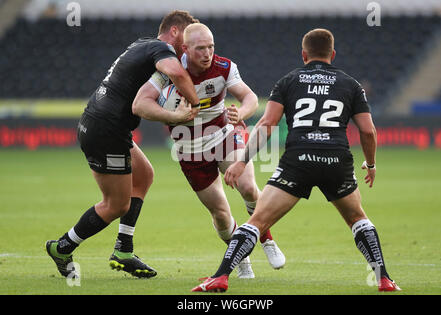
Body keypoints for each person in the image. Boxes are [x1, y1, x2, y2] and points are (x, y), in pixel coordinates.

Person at [192, 28, 401, 292]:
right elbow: (368, 131)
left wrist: (242, 161)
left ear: (304, 55)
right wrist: (370, 164)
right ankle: (383, 279)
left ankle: (221, 276)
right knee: (358, 219)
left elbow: (267, 124)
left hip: (298, 160)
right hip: (336, 160)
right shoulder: (350, 84)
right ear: (332, 54)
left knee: (257, 221)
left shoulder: (289, 81)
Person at [46, 10, 200, 279]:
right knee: (116, 205)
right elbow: (175, 72)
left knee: (144, 176)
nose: (186, 46)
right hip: (106, 130)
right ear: (174, 31)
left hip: (105, 126)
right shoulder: (161, 48)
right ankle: (62, 247)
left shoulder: (142, 44)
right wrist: (194, 105)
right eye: (185, 38)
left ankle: (124, 250)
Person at [133, 23, 286, 278]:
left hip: (224, 135)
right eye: (201, 48)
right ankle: (240, 258)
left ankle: (267, 239)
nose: (208, 54)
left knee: (248, 187)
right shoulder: (167, 70)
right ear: (185, 49)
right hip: (189, 149)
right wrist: (173, 116)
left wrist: (242, 112)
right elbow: (139, 105)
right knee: (221, 214)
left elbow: (250, 98)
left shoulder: (224, 67)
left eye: (211, 47)